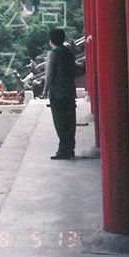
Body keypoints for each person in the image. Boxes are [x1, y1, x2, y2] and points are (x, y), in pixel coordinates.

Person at [42, 28, 77, 160]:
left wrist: (45, 90)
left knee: (60, 122)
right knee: (70, 122)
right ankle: (70, 148)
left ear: (51, 40)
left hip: (57, 93)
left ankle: (63, 150)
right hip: (70, 91)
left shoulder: (53, 53)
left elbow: (50, 74)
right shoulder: (69, 52)